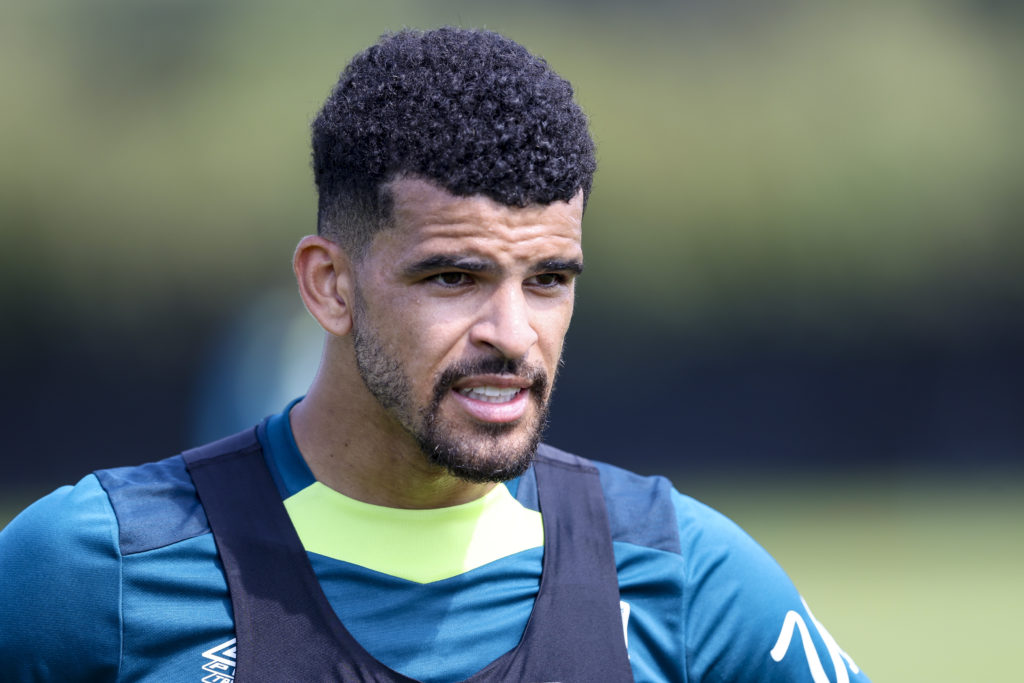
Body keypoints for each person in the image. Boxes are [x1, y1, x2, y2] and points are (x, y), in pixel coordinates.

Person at [0, 27, 870, 682]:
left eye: (549, 279)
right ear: (329, 285)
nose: (512, 332)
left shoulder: (685, 582)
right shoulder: (92, 573)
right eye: (453, 277)